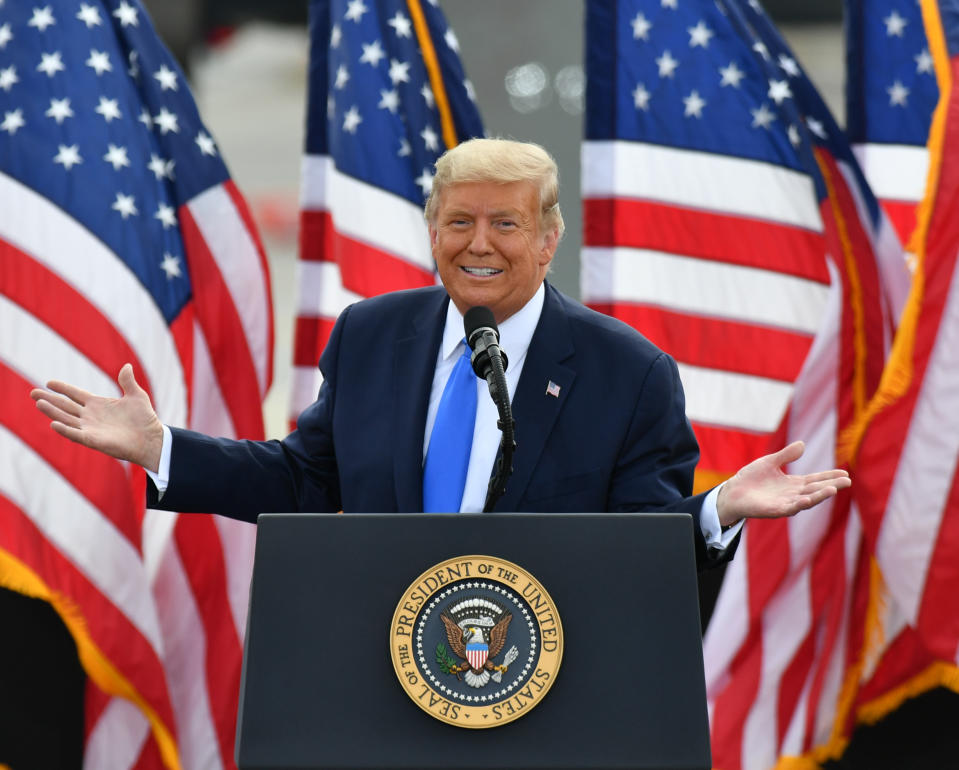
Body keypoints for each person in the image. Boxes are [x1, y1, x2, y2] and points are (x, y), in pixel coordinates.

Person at [30, 138, 849, 570]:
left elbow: (636, 543)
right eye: (459, 222)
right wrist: (160, 448)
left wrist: (718, 511)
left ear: (548, 238)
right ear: (432, 233)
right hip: (380, 658)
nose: (478, 244)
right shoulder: (371, 333)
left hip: (543, 677)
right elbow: (307, 481)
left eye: (505, 224)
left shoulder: (625, 371)